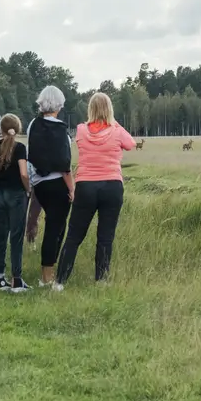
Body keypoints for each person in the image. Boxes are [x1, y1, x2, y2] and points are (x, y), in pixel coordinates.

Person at [54, 92, 135, 290]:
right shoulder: (116, 130)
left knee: (74, 236)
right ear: (110, 110)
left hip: (86, 185)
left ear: (90, 109)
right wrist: (114, 123)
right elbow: (131, 144)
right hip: (112, 186)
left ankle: (60, 282)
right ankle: (101, 280)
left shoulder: (81, 130)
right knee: (105, 236)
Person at [26, 85, 74, 287]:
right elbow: (65, 164)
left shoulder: (32, 125)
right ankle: (48, 276)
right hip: (58, 184)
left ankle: (49, 272)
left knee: (53, 227)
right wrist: (72, 188)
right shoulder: (62, 129)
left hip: (40, 183)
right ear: (60, 104)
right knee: (56, 228)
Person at [0, 113, 31, 293]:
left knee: (0, 235)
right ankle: (16, 279)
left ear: (0, 129)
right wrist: (28, 189)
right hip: (16, 194)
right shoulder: (20, 148)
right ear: (17, 129)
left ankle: (0, 279)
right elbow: (24, 173)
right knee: (16, 236)